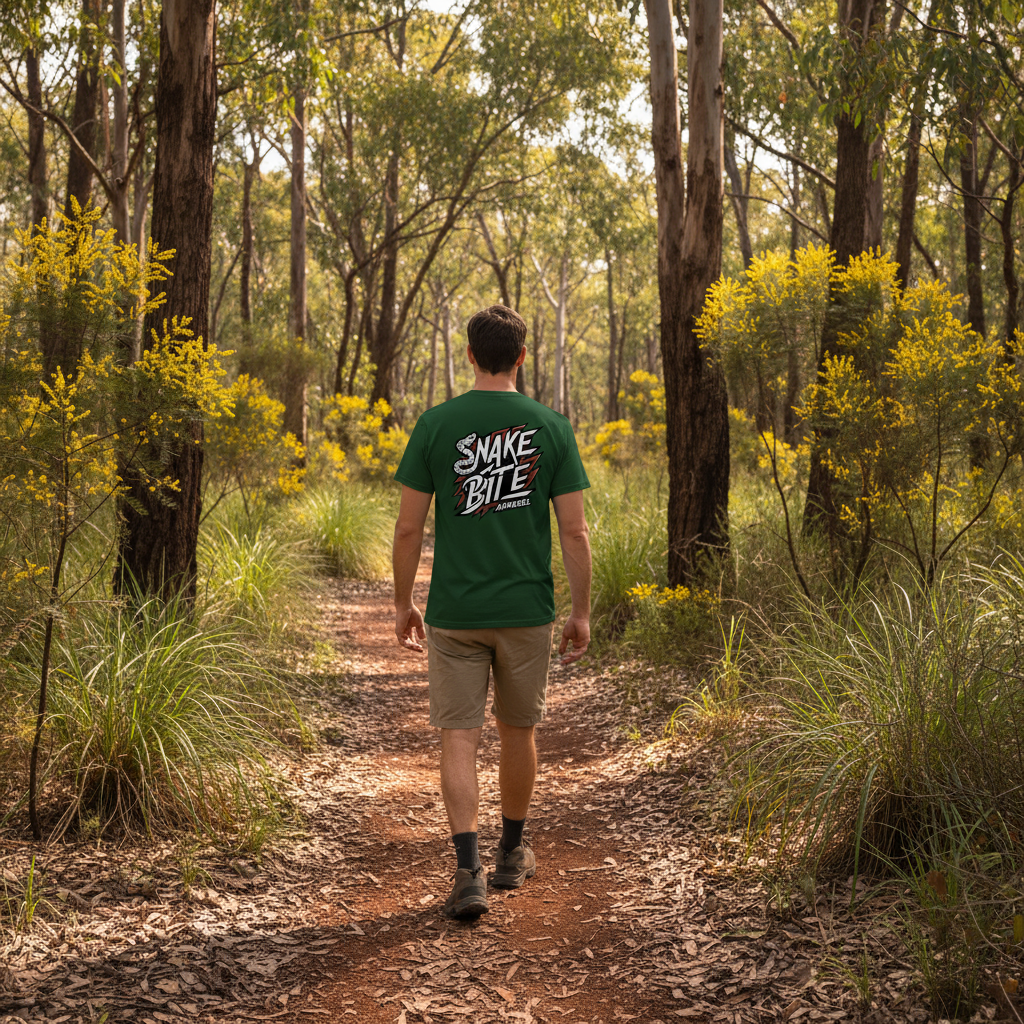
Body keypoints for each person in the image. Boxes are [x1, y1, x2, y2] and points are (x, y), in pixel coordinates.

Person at [392, 304, 592, 920]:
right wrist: (581, 611)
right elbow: (575, 532)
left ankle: (467, 872)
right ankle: (510, 852)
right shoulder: (552, 427)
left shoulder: (436, 424)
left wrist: (403, 602)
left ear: (471, 355)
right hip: (527, 610)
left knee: (459, 735)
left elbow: (407, 528)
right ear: (521, 357)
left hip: (455, 613)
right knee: (518, 731)